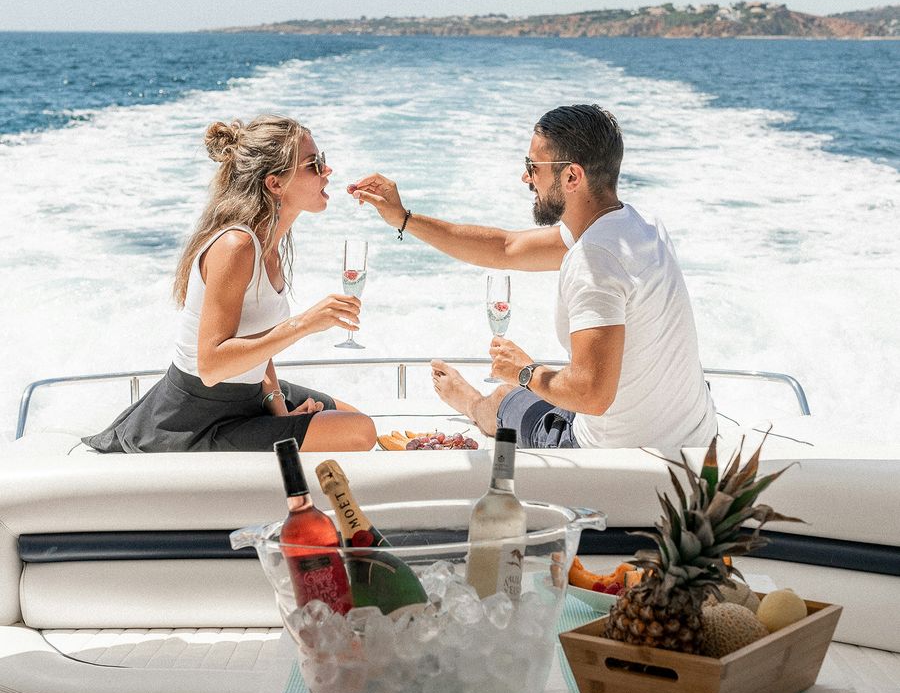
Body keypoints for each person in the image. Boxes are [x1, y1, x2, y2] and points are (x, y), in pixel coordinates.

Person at [350, 104, 716, 455]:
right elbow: (507, 248)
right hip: (696, 441)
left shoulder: (594, 261)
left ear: (572, 176)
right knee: (540, 383)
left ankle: (472, 403)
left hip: (611, 453)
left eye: (533, 166)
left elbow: (592, 395)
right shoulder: (639, 227)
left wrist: (525, 371)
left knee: (505, 396)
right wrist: (404, 218)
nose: (526, 177)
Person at [84, 115, 376, 453]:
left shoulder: (271, 245)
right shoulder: (235, 246)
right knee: (360, 432)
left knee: (353, 417)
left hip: (249, 397)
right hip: (197, 420)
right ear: (275, 184)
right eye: (314, 164)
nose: (327, 171)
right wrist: (305, 324)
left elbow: (257, 336)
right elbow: (211, 366)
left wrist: (278, 410)